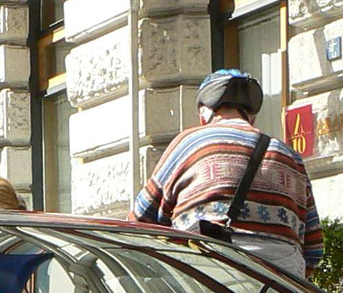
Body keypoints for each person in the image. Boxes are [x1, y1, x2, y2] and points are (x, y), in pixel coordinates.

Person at [131, 69, 322, 280]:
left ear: (204, 113)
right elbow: (313, 248)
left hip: (210, 283)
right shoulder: (290, 158)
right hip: (282, 291)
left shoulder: (191, 143)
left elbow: (141, 218)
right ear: (252, 117)